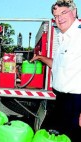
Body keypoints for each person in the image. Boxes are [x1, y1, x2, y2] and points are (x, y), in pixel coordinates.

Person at [30, 0, 81, 141]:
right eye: (56, 15)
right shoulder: (64, 38)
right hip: (61, 100)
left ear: (74, 12)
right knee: (44, 136)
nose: (59, 18)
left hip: (76, 102)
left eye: (63, 13)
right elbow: (58, 65)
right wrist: (41, 57)